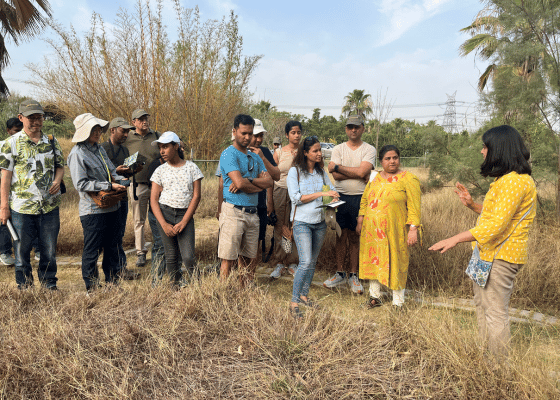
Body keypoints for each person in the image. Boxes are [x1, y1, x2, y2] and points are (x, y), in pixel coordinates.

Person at [429, 125, 536, 360]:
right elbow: (497, 216)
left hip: (500, 257)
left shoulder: (514, 182)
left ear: (499, 149)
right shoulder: (505, 180)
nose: (481, 151)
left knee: (495, 313)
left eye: (485, 147)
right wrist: (472, 205)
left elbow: (495, 227)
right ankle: (485, 360)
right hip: (486, 255)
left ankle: (498, 370)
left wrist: (455, 238)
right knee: (483, 306)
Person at [0, 100, 65, 290]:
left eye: (39, 117)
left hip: (49, 206)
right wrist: (4, 207)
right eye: (31, 118)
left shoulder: (51, 141)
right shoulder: (10, 144)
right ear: (21, 118)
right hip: (22, 207)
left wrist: (57, 180)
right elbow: (5, 177)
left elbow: (60, 166)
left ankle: (49, 284)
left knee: (49, 250)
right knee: (21, 251)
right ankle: (25, 287)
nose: (36, 121)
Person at [68, 113, 127, 291]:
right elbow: (80, 184)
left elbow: (111, 169)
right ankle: (92, 288)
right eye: (93, 128)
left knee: (113, 246)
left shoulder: (99, 149)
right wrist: (109, 185)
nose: (98, 131)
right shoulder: (77, 154)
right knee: (92, 250)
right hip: (93, 210)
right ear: (84, 131)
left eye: (98, 128)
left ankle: (112, 283)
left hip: (112, 205)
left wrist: (121, 180)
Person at [356, 145, 421, 308]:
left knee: (397, 262)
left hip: (395, 230)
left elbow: (414, 206)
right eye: (388, 158)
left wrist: (413, 229)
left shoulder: (409, 178)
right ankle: (374, 297)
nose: (392, 161)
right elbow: (365, 200)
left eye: (395, 158)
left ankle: (398, 302)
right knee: (374, 260)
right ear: (381, 161)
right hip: (372, 231)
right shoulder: (374, 177)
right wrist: (360, 220)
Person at [287, 136, 339, 318]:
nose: (319, 153)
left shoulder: (321, 172)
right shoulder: (295, 172)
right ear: (305, 153)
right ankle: (294, 302)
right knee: (305, 261)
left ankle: (304, 296)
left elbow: (331, 188)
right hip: (302, 222)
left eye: (320, 150)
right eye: (315, 150)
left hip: (320, 223)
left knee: (312, 262)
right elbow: (296, 198)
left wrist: (334, 196)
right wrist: (321, 193)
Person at [324, 115, 376, 294]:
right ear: (346, 129)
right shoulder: (338, 149)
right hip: (340, 198)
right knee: (340, 236)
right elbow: (337, 177)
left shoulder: (369, 149)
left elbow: (362, 171)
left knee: (355, 237)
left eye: (357, 127)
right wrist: (359, 174)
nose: (353, 130)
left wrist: (338, 167)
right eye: (350, 127)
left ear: (362, 128)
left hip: (361, 198)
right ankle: (340, 273)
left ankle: (354, 274)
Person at [218, 114, 273, 283]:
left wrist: (247, 180)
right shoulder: (228, 154)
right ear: (234, 132)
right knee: (228, 259)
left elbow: (269, 181)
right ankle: (222, 295)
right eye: (243, 133)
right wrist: (255, 183)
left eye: (250, 133)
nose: (247, 137)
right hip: (234, 211)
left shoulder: (256, 157)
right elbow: (239, 183)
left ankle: (245, 293)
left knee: (249, 259)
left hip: (252, 213)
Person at [150, 132, 203, 286]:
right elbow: (153, 200)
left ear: (176, 146)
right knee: (171, 256)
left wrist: (184, 222)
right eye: (160, 147)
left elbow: (196, 196)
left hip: (184, 215)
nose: (162, 151)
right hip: (164, 215)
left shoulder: (192, 168)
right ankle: (175, 285)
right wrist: (164, 224)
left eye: (165, 146)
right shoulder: (160, 171)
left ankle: (198, 286)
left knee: (188, 256)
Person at [100, 117, 140, 280]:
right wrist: (113, 171)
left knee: (118, 234)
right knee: (105, 235)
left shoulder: (124, 150)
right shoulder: (101, 149)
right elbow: (96, 176)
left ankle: (120, 269)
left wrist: (133, 170)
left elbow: (125, 173)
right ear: (112, 130)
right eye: (123, 131)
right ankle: (109, 270)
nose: (126, 134)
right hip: (105, 198)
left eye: (128, 131)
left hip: (121, 197)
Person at [123, 108, 161, 267]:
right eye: (141, 119)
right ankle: (140, 252)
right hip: (137, 185)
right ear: (134, 122)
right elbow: (121, 159)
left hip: (157, 185)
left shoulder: (157, 136)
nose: (145, 121)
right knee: (139, 220)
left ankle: (160, 250)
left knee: (159, 218)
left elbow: (171, 149)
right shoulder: (127, 138)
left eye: (146, 118)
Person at [269, 121, 302, 278]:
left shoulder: (304, 152)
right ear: (287, 135)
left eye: (298, 132)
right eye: (293, 132)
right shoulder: (280, 152)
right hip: (281, 190)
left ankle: (293, 262)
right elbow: (271, 175)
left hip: (299, 192)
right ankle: (280, 262)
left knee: (295, 225)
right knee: (280, 226)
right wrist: (269, 201)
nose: (296, 135)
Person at [0, 118, 23, 266]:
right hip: (4, 188)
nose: (18, 133)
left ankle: (36, 250)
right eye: (15, 131)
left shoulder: (24, 144)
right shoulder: (3, 145)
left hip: (19, 191)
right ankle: (5, 252)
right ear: (8, 131)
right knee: (4, 221)